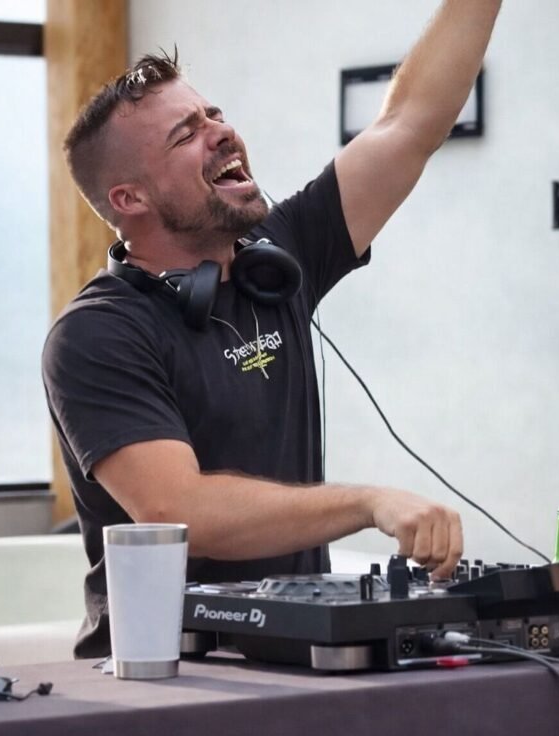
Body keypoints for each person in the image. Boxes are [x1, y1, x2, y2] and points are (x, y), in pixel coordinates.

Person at [43, 0, 502, 657]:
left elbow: (411, 122)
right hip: (165, 675)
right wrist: (367, 502)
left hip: (297, 655)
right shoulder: (97, 333)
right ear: (130, 198)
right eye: (186, 134)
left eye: (214, 115)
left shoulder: (274, 259)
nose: (222, 133)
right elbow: (179, 511)